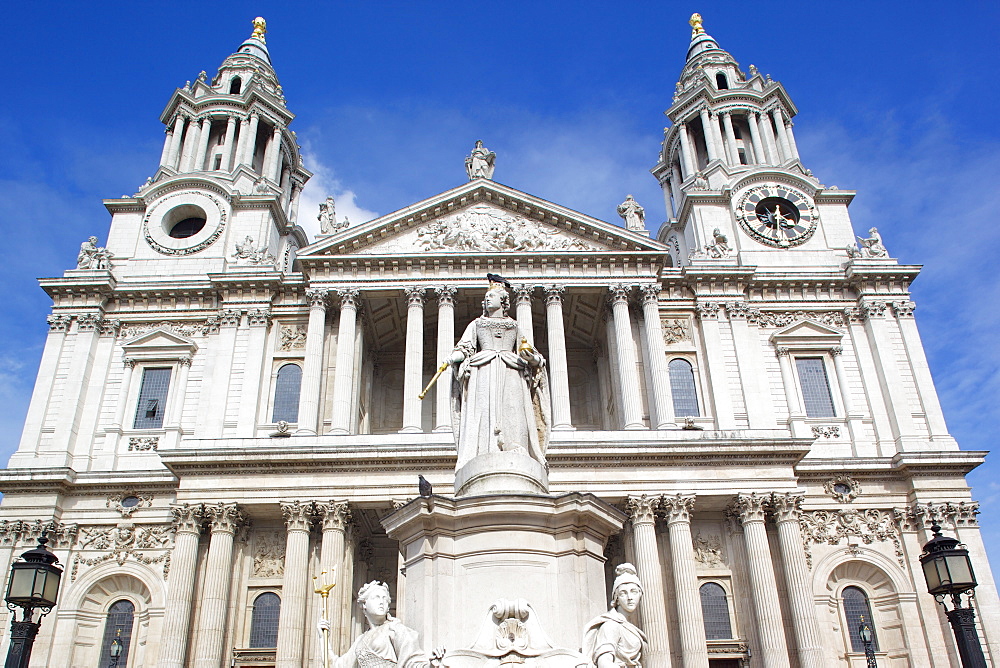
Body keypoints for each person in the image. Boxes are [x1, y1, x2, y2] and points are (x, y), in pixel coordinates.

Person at [450, 279, 550, 469]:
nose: (487, 300)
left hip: (511, 369)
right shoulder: (477, 324)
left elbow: (528, 350)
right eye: (486, 297)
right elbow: (466, 346)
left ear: (503, 300)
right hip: (484, 369)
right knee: (483, 407)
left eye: (491, 296)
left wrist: (533, 360)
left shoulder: (513, 325)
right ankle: (485, 448)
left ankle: (516, 444)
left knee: (513, 407)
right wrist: (455, 356)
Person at [319, 581, 437, 668]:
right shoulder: (361, 640)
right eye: (376, 598)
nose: (381, 602)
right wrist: (323, 638)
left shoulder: (395, 629)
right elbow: (337, 665)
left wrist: (432, 665)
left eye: (385, 599)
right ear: (364, 604)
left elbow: (412, 661)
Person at [582, 564, 648, 668]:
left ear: (640, 594)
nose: (630, 597)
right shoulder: (611, 625)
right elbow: (604, 662)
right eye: (623, 593)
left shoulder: (627, 626)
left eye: (634, 592)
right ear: (616, 598)